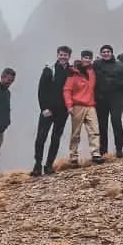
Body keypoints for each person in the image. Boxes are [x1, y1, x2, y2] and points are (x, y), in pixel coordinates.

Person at [32, 46, 73, 176]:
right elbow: (41, 90)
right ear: (57, 55)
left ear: (69, 57)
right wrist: (43, 108)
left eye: (65, 55)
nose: (63, 57)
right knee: (41, 138)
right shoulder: (49, 70)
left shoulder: (71, 71)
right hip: (48, 111)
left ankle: (49, 165)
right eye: (61, 54)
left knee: (56, 138)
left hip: (63, 111)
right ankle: (37, 165)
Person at [61, 50, 98, 167]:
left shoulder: (92, 70)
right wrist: (69, 105)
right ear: (81, 58)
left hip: (90, 104)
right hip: (78, 105)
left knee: (94, 131)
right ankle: (73, 157)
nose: (87, 60)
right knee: (76, 133)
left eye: (89, 58)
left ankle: (96, 154)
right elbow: (67, 90)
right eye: (85, 57)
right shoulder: (73, 73)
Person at [91, 44, 123, 160]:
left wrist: (114, 82)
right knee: (102, 125)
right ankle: (103, 151)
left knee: (116, 122)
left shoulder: (119, 65)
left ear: (111, 53)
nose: (106, 53)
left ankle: (119, 149)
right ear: (101, 54)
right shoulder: (96, 64)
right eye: (104, 52)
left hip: (115, 97)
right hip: (101, 98)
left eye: (108, 52)